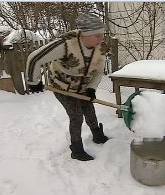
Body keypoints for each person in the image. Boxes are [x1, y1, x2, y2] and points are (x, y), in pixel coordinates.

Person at [25, 12, 109, 161]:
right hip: (62, 87)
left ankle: (97, 135)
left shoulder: (100, 48)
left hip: (83, 87)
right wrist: (33, 82)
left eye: (102, 34)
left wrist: (92, 88)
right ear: (85, 34)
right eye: (97, 35)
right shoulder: (66, 45)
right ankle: (76, 149)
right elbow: (34, 59)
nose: (102, 39)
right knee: (76, 116)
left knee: (89, 109)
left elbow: (99, 71)